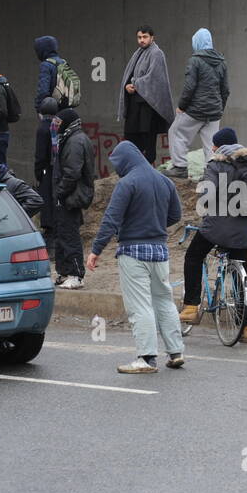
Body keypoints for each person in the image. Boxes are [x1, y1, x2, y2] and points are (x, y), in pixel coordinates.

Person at [87, 141, 184, 374]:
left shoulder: (127, 183)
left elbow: (111, 218)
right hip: (160, 251)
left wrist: (96, 250)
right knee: (164, 301)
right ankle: (176, 352)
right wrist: (155, 225)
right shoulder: (164, 181)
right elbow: (176, 215)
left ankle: (147, 358)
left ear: (124, 161)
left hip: (133, 252)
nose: (117, 169)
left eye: (117, 164)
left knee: (140, 306)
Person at [181, 127, 247, 343]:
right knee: (241, 273)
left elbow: (206, 196)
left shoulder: (216, 165)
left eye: (214, 145)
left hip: (217, 227)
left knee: (193, 256)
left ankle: (190, 306)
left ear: (218, 146)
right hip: (242, 231)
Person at [166, 27, 228, 179]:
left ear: (197, 43)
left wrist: (181, 106)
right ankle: (211, 173)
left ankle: (180, 167)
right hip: (214, 112)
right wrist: (219, 108)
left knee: (176, 132)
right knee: (211, 144)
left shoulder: (195, 61)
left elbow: (189, 86)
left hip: (195, 111)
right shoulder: (222, 62)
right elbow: (225, 90)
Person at [52, 106, 95, 290]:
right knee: (62, 234)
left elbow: (72, 173)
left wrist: (60, 192)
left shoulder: (75, 141)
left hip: (71, 197)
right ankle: (64, 272)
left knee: (70, 236)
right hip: (68, 196)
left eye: (59, 123)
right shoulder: (72, 138)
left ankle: (76, 275)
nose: (56, 127)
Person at [118, 26, 174, 165]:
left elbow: (155, 78)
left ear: (152, 38)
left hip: (148, 106)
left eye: (145, 37)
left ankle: (147, 168)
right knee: (131, 137)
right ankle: (133, 166)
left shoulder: (156, 53)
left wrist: (135, 83)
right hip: (134, 105)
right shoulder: (137, 54)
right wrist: (127, 86)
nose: (142, 40)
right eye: (139, 37)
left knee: (147, 140)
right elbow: (129, 76)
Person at [34, 96, 61, 278]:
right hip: (58, 171)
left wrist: (38, 173)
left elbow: (40, 155)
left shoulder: (42, 128)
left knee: (47, 207)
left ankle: (50, 244)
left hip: (46, 171)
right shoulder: (59, 126)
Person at [35, 35, 66, 107]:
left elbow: (43, 90)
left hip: (52, 108)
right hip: (66, 107)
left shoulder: (46, 65)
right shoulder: (63, 62)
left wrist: (39, 107)